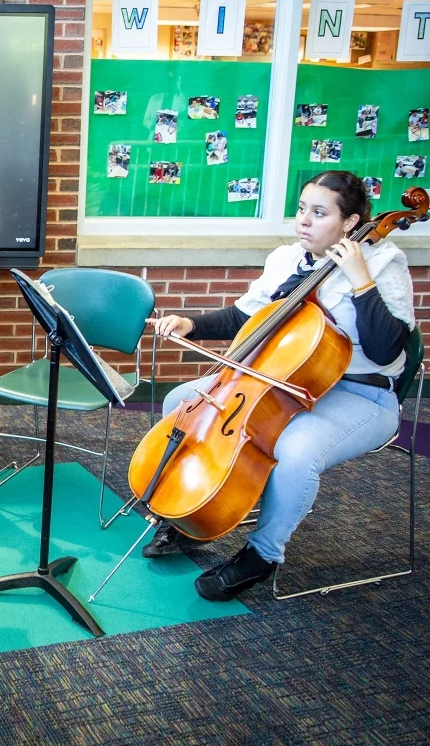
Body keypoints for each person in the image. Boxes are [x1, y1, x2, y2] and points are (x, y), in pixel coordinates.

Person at [141, 170, 415, 602]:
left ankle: (262, 555)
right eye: (302, 208)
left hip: (362, 393)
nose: (303, 220)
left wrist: (360, 279)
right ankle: (195, 510)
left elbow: (386, 350)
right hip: (283, 382)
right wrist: (190, 324)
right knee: (183, 400)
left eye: (319, 213)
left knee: (295, 450)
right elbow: (245, 317)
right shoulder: (287, 259)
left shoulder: (383, 262)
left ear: (350, 222)